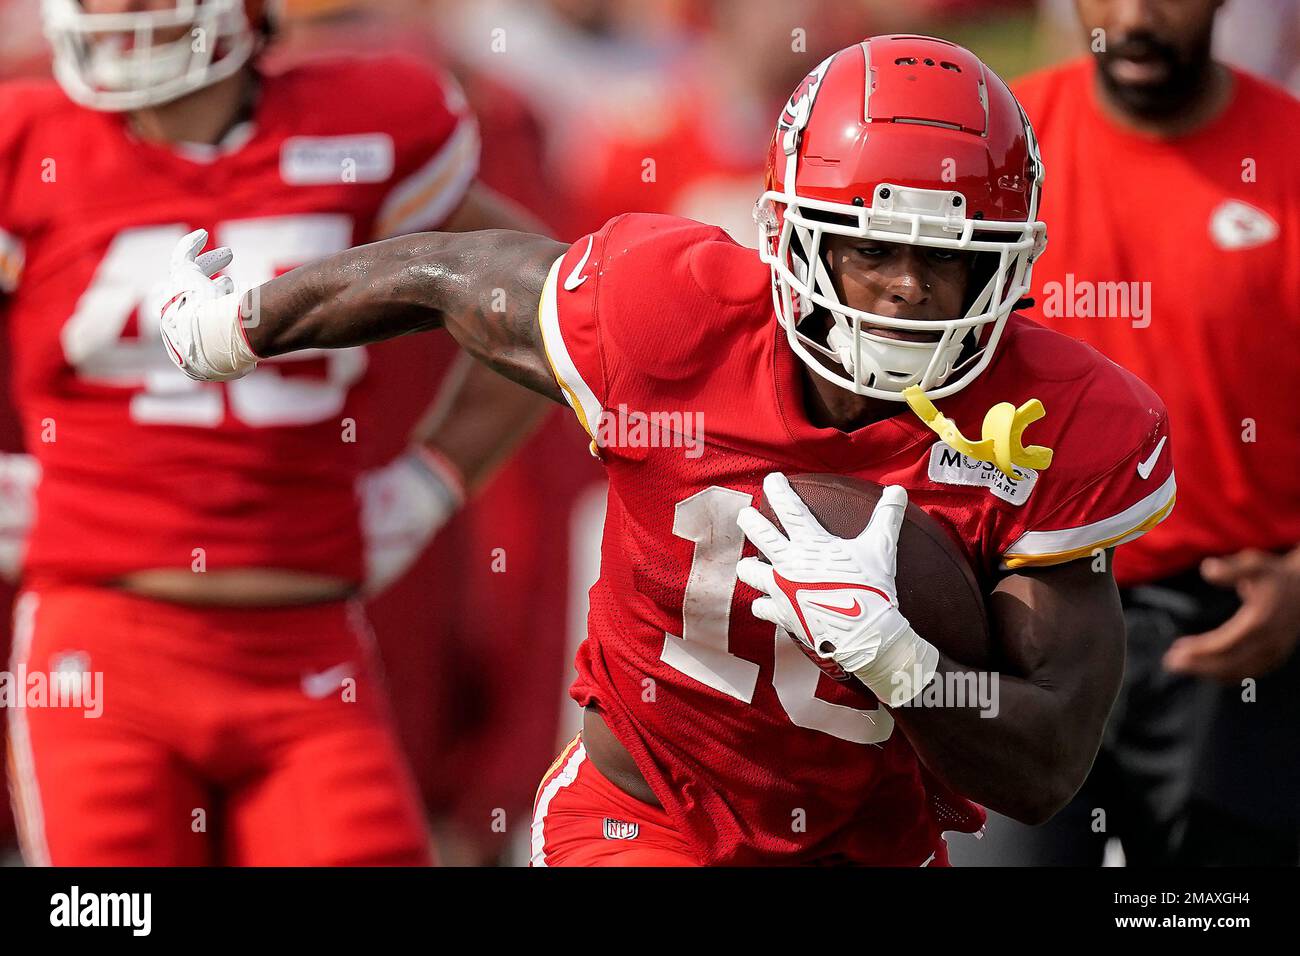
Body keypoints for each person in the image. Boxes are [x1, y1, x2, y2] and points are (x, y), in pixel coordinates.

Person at [157, 34, 1176, 867]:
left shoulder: (1060, 417)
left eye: (946, 259)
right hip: (642, 821)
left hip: (872, 846)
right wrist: (244, 321)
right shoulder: (669, 312)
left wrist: (902, 662)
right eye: (868, 246)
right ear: (790, 235)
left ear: (1008, 265)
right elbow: (447, 274)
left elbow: (1045, 764)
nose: (905, 287)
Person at [0, 0, 548, 865]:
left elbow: (545, 300)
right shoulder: (26, 137)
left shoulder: (366, 122)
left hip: (306, 648)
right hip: (102, 651)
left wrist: (433, 478)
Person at [962, 0, 1300, 866]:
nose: (1136, 18)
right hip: (1014, 611)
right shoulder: (994, 147)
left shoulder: (1289, 156)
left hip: (1234, 639)